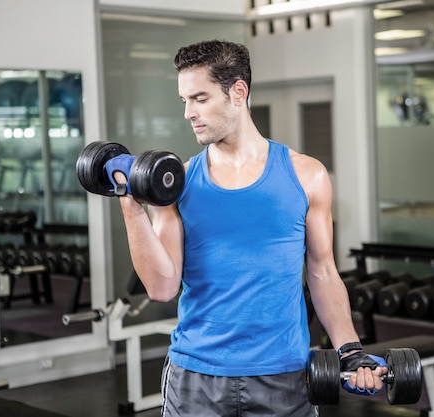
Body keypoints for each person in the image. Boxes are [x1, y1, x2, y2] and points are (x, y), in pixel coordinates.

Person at [108, 39, 388, 417]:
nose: (189, 113)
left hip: (284, 375)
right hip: (196, 377)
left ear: (238, 91)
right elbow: (161, 287)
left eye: (200, 98)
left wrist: (350, 351)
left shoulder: (307, 175)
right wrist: (129, 203)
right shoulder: (179, 182)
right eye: (184, 101)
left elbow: (322, 272)